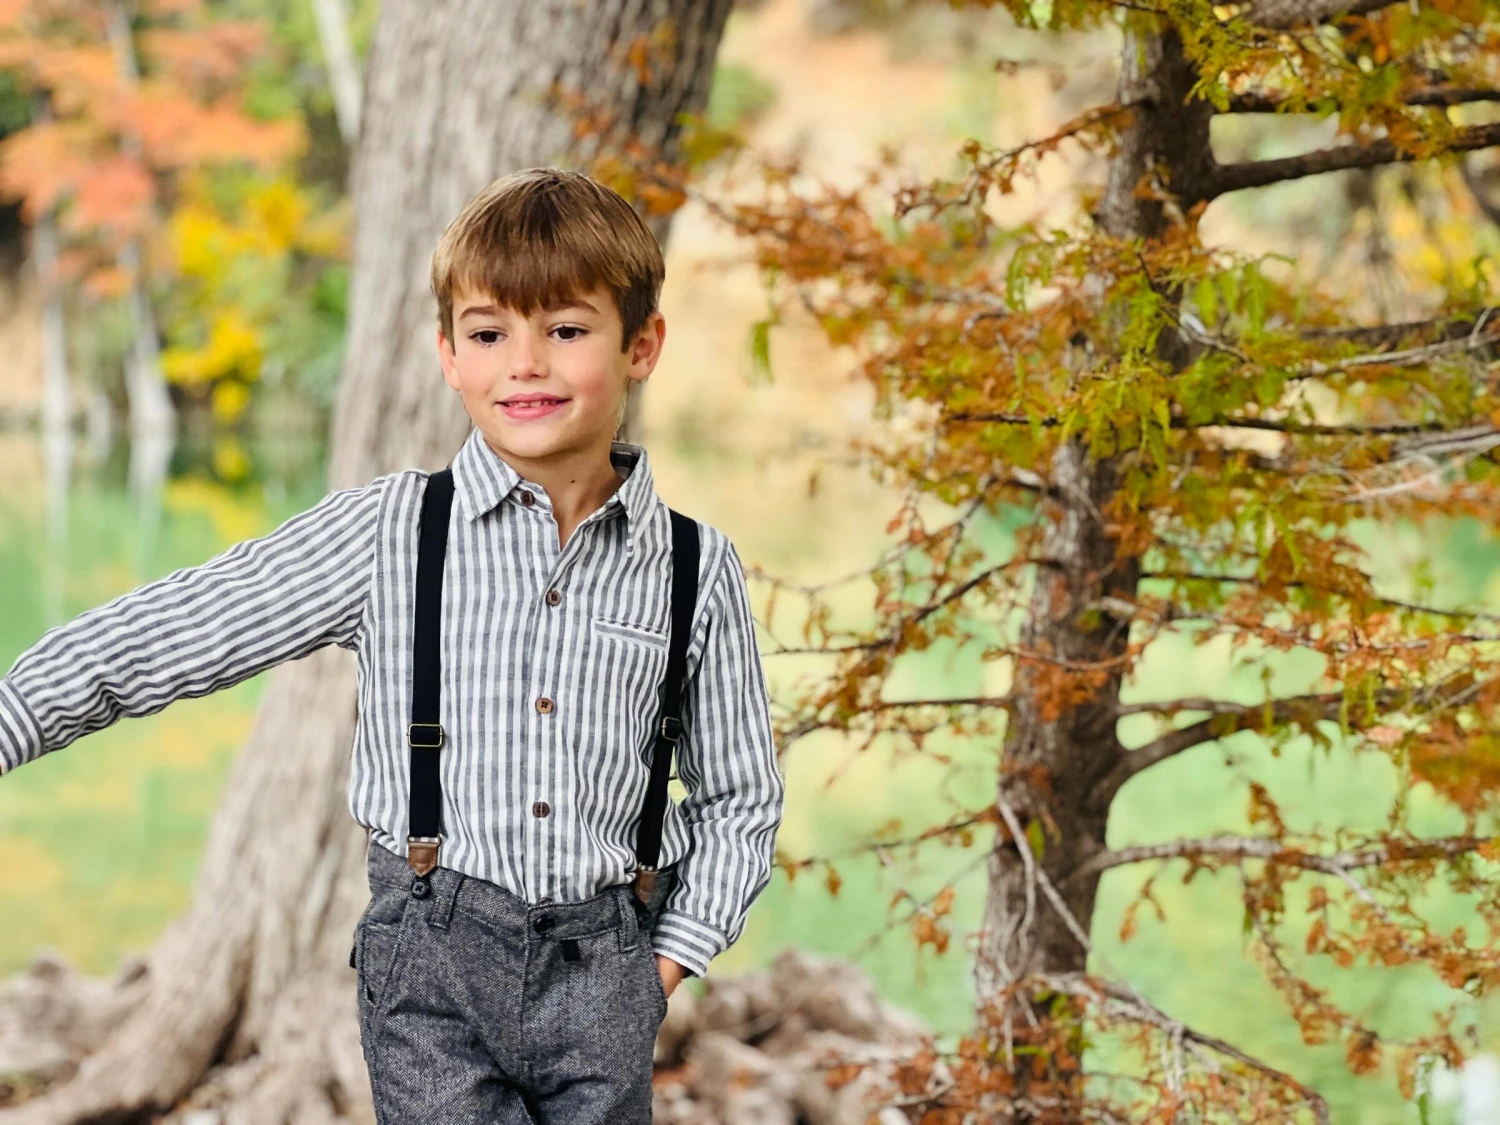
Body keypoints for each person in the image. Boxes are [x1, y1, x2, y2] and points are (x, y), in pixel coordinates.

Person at [0, 166, 786, 1123]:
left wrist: (667, 960)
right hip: (432, 966)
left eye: (567, 330)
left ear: (641, 345)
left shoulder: (695, 568)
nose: (524, 364)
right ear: (449, 354)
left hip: (607, 968)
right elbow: (177, 627)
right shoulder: (394, 533)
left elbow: (740, 794)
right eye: (490, 334)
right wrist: (15, 715)